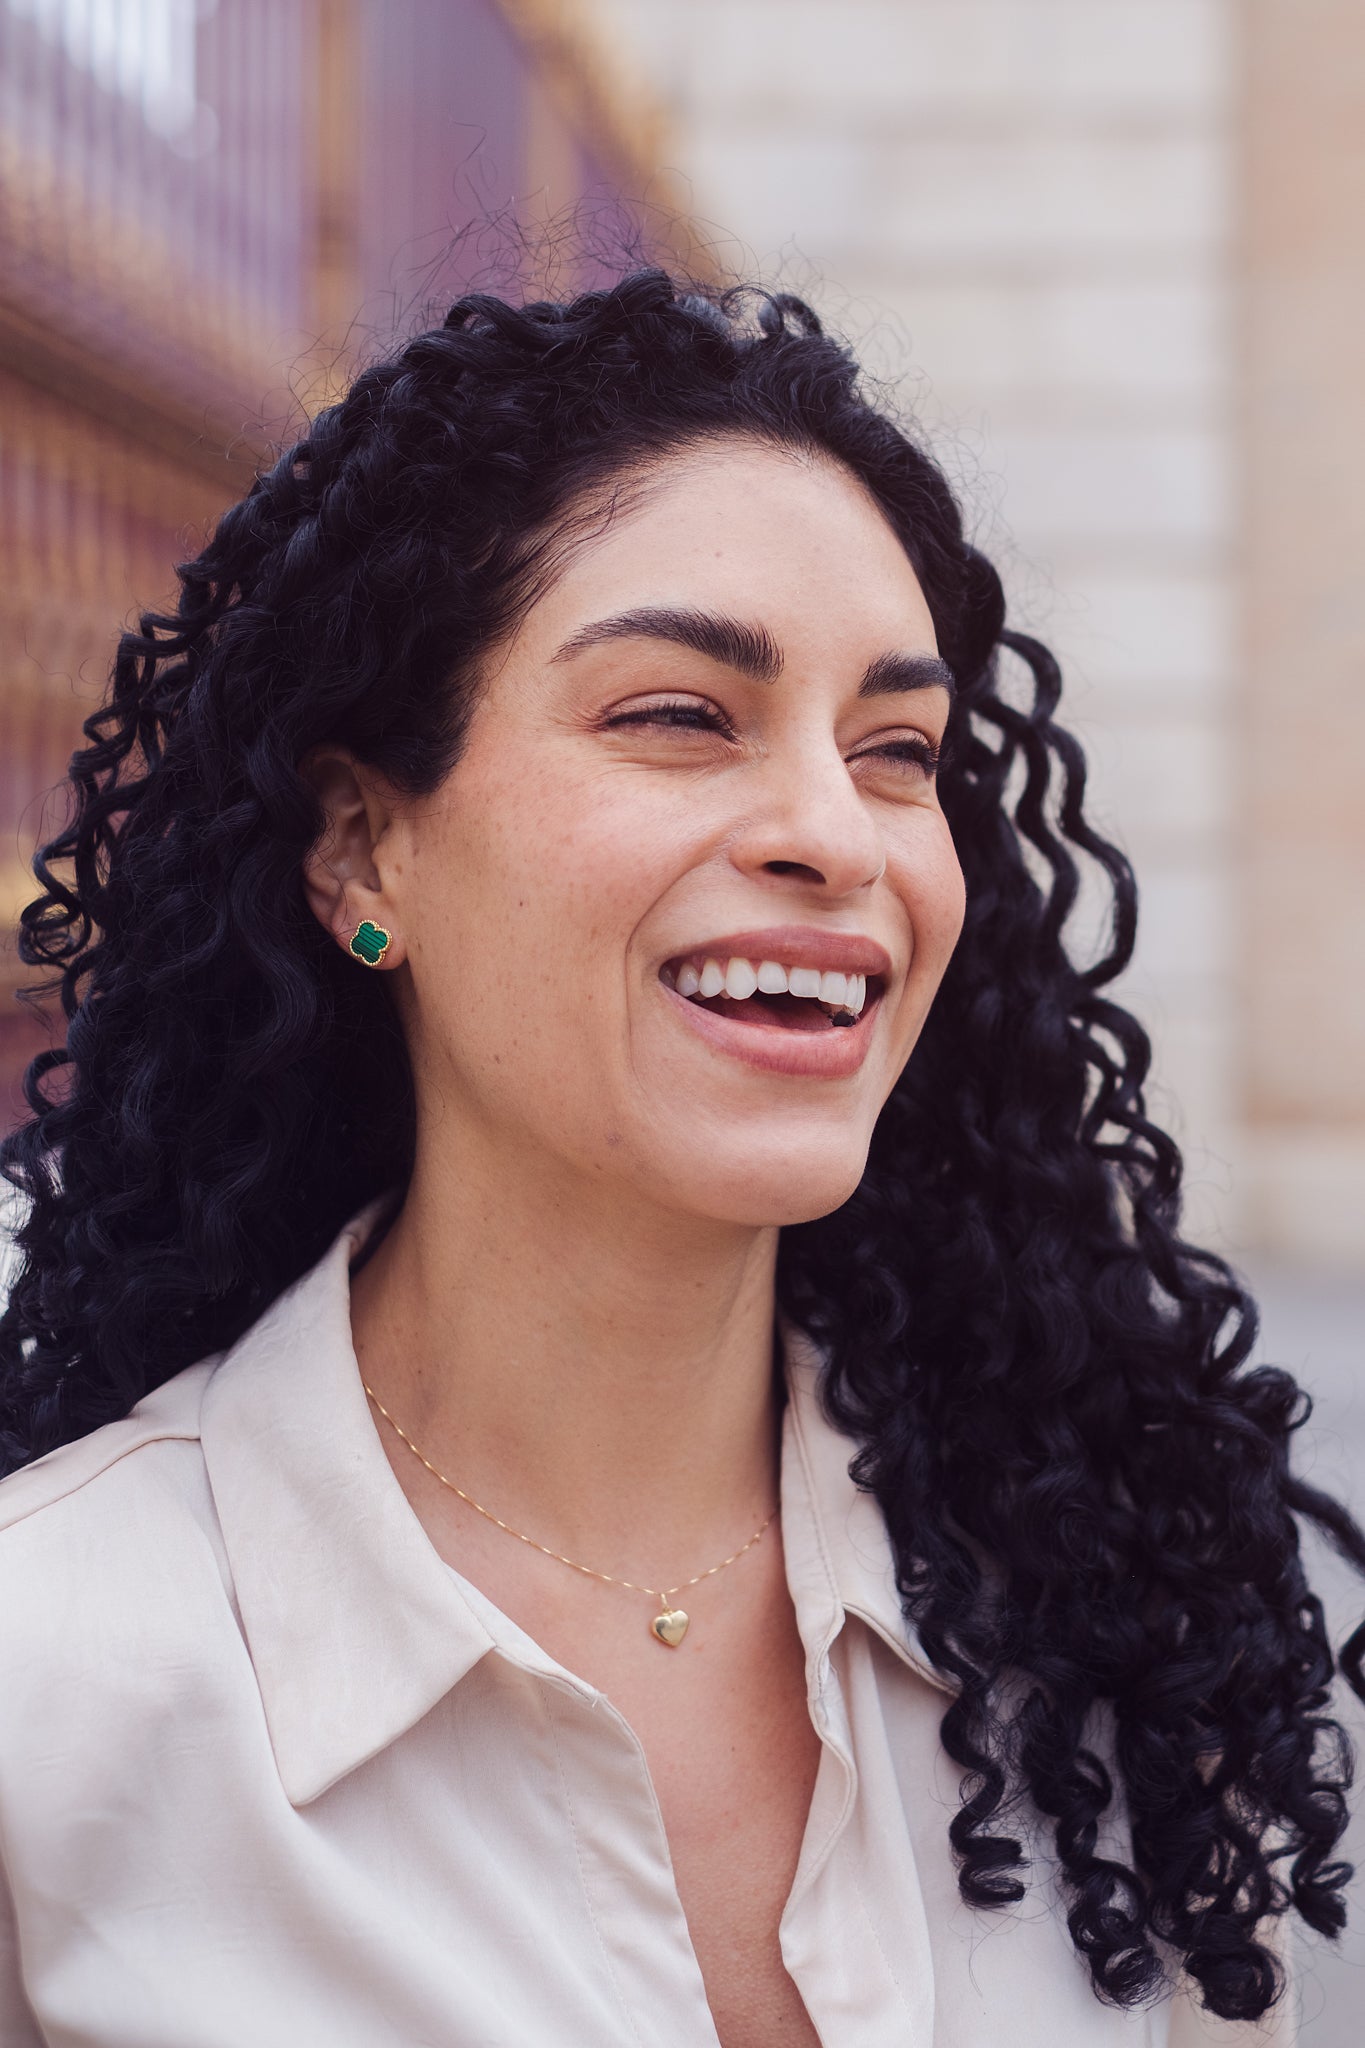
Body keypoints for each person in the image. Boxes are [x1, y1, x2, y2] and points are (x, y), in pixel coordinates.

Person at [0, 267, 1359, 2047]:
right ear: (360, 850)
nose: (833, 835)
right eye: (677, 715)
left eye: (897, 750)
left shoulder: (1110, 1616)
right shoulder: (49, 1692)